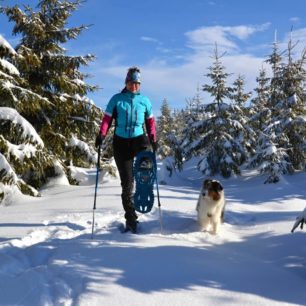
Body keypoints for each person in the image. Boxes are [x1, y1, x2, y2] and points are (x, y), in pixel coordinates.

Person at [95, 67, 157, 233]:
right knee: (127, 185)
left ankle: (145, 173)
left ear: (140, 84)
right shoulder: (116, 99)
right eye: (131, 83)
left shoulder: (144, 100)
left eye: (137, 83)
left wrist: (153, 137)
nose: (134, 86)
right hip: (121, 143)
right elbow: (107, 119)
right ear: (126, 83)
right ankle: (131, 218)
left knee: (144, 143)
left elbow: (150, 122)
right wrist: (101, 134)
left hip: (138, 139)